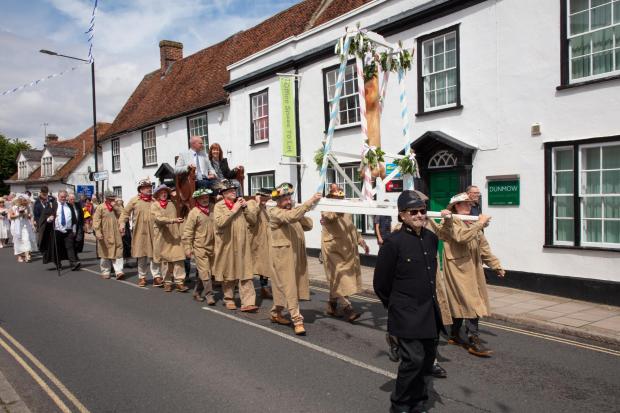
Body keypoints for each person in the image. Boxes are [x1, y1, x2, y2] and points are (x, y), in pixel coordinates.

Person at [373, 190, 449, 413]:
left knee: (426, 361)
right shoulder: (392, 243)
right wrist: (396, 306)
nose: (419, 215)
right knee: (412, 361)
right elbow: (381, 284)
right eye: (413, 211)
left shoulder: (431, 238)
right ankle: (400, 404)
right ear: (402, 215)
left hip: (429, 311)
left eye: (422, 211)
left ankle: (418, 401)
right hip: (406, 311)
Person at [440, 192, 504, 357]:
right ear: (456, 206)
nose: (469, 206)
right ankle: (473, 338)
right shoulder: (450, 221)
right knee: (471, 302)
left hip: (473, 268)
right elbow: (461, 237)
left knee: (461, 303)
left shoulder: (472, 222)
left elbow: (483, 247)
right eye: (465, 204)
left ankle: (454, 334)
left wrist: (495, 265)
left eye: (470, 204)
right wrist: (480, 224)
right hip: (457, 268)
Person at [268, 183, 322, 335]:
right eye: (284, 197)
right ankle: (297, 320)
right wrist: (309, 201)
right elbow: (290, 217)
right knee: (289, 286)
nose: (287, 200)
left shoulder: (292, 212)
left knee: (287, 287)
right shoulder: (274, 212)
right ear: (277, 200)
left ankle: (275, 313)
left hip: (296, 255)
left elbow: (309, 225)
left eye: (289, 196)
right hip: (282, 257)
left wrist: (300, 211)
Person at [320, 184, 369, 322]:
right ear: (330, 197)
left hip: (346, 249)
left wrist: (361, 240)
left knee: (336, 278)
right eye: (337, 197)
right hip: (332, 249)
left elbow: (351, 227)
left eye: (341, 197)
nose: (340, 199)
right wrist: (339, 209)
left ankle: (331, 305)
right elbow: (329, 217)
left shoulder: (346, 209)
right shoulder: (326, 207)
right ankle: (348, 308)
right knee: (340, 277)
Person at [212, 180, 258, 312]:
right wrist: (234, 209)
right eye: (230, 191)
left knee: (246, 272)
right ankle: (229, 298)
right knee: (229, 272)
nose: (234, 192)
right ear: (224, 193)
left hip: (243, 244)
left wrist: (245, 208)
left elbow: (253, 221)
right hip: (227, 244)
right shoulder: (219, 206)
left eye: (234, 190)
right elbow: (220, 223)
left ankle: (248, 302)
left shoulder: (241, 204)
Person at [119, 178, 163, 288]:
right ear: (141, 189)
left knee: (154, 255)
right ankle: (142, 277)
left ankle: (156, 277)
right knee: (142, 255)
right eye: (146, 187)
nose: (149, 189)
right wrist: (122, 224)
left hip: (153, 231)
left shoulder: (154, 201)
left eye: (150, 187)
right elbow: (125, 213)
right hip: (139, 232)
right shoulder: (134, 200)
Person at [151, 184, 188, 293]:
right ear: (157, 194)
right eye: (161, 192)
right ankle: (167, 282)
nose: (164, 194)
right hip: (162, 236)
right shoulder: (155, 205)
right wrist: (173, 220)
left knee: (179, 258)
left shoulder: (173, 204)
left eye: (165, 192)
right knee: (165, 260)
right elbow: (158, 219)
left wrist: (177, 195)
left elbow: (183, 204)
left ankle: (180, 282)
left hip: (175, 234)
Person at [182, 188, 216, 305]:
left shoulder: (213, 208)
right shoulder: (194, 213)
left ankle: (197, 292)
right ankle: (209, 296)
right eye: (202, 198)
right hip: (199, 246)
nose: (205, 200)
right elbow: (188, 232)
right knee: (205, 271)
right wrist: (187, 248)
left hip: (213, 246)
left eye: (206, 197)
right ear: (197, 200)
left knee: (207, 272)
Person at [37, 190, 81, 271]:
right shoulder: (52, 205)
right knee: (57, 248)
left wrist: (74, 230)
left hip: (68, 230)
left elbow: (74, 219)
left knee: (70, 247)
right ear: (58, 196)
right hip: (56, 230)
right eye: (62, 197)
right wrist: (49, 219)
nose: (63, 198)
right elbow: (44, 218)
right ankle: (58, 264)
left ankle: (73, 263)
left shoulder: (69, 205)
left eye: (65, 197)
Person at [246, 188, 275, 299]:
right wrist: (258, 204)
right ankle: (247, 290)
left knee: (265, 266)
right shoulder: (251, 203)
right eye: (263, 198)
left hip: (265, 241)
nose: (265, 200)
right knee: (249, 267)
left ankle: (264, 288)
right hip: (253, 241)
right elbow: (251, 219)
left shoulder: (265, 207)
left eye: (266, 198)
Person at [93, 191, 124, 279]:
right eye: (110, 198)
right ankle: (106, 271)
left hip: (116, 233)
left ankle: (119, 271)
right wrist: (98, 232)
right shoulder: (101, 207)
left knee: (118, 251)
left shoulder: (117, 207)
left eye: (113, 198)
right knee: (105, 253)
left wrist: (116, 207)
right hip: (105, 233)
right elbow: (96, 220)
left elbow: (123, 214)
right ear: (106, 198)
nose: (112, 200)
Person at [8, 195, 36, 263]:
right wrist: (18, 215)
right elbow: (11, 217)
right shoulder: (14, 208)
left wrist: (26, 215)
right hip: (17, 226)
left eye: (25, 201)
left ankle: (27, 255)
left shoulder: (28, 207)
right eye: (23, 201)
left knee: (26, 240)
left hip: (26, 226)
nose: (24, 202)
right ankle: (20, 256)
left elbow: (30, 216)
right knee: (18, 241)